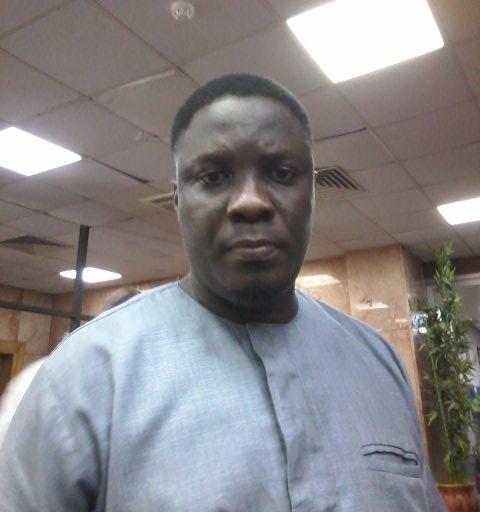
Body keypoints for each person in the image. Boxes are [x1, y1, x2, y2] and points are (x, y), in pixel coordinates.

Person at [0, 74, 445, 511]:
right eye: (213, 176)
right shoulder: (85, 377)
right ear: (178, 200)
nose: (251, 201)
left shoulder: (377, 362)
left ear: (312, 193)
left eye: (282, 173)